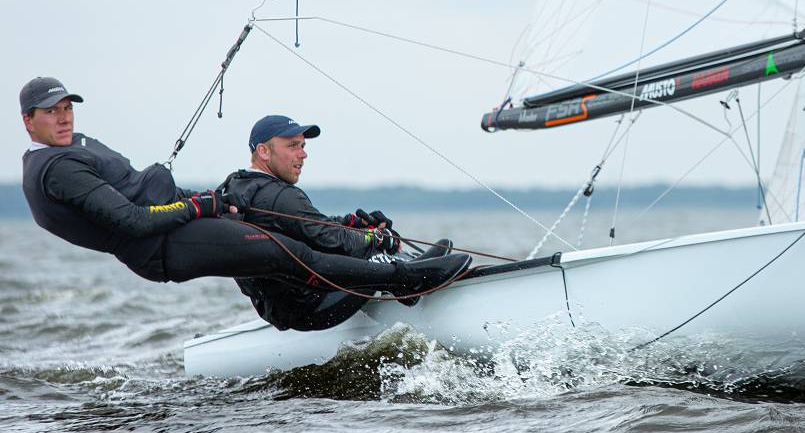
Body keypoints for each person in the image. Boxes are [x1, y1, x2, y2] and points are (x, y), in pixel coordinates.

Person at [18, 76, 469, 304]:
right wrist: (199, 207)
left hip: (175, 222)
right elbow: (132, 220)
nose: (63, 117)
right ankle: (405, 281)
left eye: (66, 108)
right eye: (51, 112)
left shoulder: (73, 146)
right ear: (28, 121)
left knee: (282, 234)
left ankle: (387, 273)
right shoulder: (57, 170)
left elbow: (139, 188)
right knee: (288, 253)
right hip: (161, 245)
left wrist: (208, 201)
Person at [218, 114, 454, 330]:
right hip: (312, 305)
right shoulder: (280, 196)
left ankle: (409, 268)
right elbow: (332, 240)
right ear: (263, 151)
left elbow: (306, 227)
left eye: (303, 146)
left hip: (278, 307)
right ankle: (412, 281)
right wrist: (378, 238)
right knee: (365, 251)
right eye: (292, 146)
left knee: (358, 242)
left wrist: (352, 223)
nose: (303, 154)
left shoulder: (238, 186)